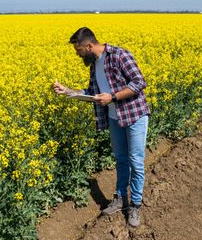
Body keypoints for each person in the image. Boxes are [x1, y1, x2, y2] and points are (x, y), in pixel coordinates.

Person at [52, 27, 150, 227]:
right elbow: (92, 93)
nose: (77, 55)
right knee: (121, 160)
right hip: (114, 118)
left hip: (134, 116)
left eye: (78, 50)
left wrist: (113, 97)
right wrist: (68, 91)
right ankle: (121, 198)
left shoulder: (119, 55)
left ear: (89, 46)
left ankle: (136, 205)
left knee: (136, 162)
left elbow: (139, 82)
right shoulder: (94, 64)